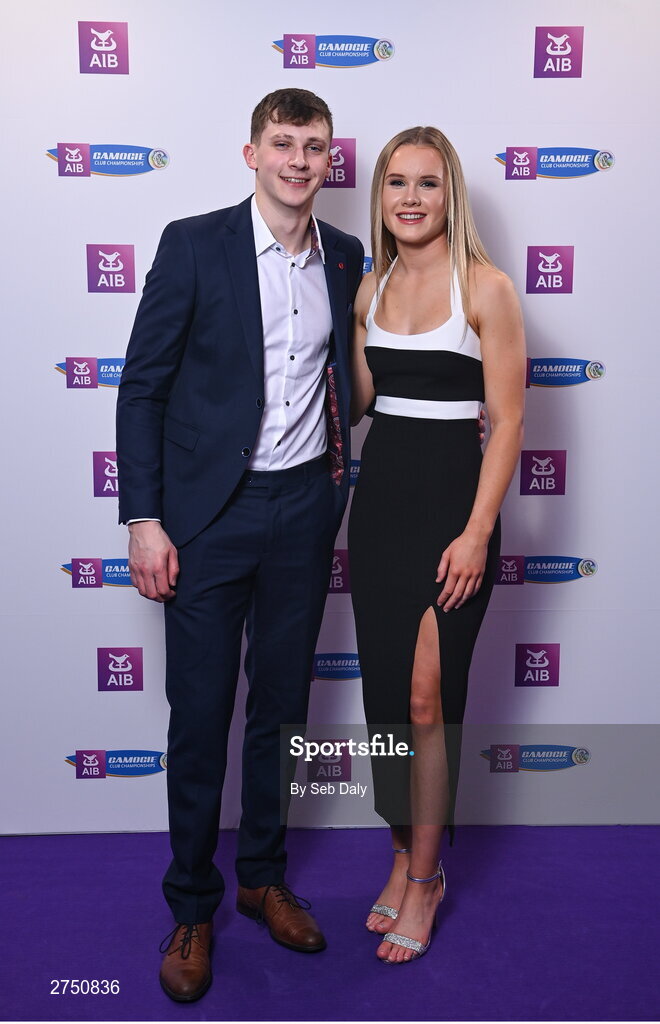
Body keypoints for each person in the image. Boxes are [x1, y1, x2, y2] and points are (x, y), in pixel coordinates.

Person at [116, 88, 364, 1002]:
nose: (301, 160)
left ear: (330, 160)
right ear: (252, 153)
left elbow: (358, 376)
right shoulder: (194, 243)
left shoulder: (345, 257)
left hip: (304, 511)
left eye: (316, 146)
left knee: (283, 710)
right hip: (206, 520)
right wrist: (144, 518)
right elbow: (140, 388)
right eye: (284, 143)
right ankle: (192, 906)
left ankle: (263, 877)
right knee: (201, 713)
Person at [348, 127, 525, 964]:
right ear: (379, 196)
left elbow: (511, 421)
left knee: (426, 700)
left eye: (427, 183)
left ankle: (427, 878)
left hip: (453, 512)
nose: (410, 198)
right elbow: (355, 402)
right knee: (386, 699)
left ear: (450, 193)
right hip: (377, 506)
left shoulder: (486, 287)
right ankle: (397, 857)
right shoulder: (367, 288)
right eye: (395, 184)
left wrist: (478, 533)